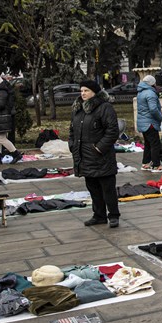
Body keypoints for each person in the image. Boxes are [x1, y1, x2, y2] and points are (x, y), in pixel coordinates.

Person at [70, 80, 120, 228]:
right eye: (81, 91)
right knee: (93, 188)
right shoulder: (78, 109)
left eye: (86, 91)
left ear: (94, 92)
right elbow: (72, 130)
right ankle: (99, 215)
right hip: (85, 157)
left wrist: (99, 148)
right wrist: (72, 145)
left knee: (107, 189)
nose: (83, 93)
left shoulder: (105, 108)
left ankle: (113, 215)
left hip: (101, 157)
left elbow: (112, 131)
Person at [137, 75, 162, 173]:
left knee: (148, 144)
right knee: (155, 144)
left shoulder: (141, 93)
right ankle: (156, 165)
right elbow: (153, 109)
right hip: (150, 123)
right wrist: (160, 117)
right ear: (152, 83)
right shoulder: (150, 93)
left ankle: (146, 163)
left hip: (143, 122)